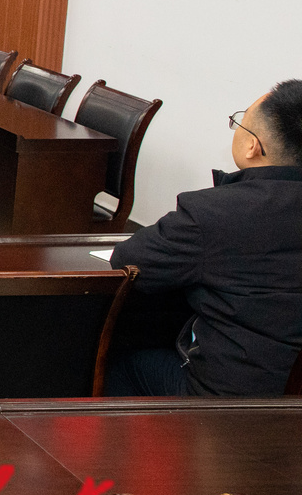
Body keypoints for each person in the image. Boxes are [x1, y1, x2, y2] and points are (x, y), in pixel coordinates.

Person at [105, 81, 302, 397]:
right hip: (289, 400)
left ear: (253, 146)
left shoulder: (216, 213)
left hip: (224, 405)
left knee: (123, 365)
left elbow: (128, 262)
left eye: (239, 123)